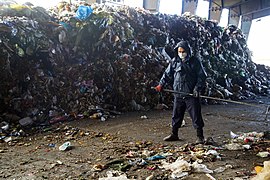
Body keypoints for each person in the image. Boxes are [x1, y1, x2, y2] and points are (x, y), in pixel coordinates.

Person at [155, 40, 207, 144]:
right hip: (178, 93)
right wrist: (161, 84)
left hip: (190, 94)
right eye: (179, 51)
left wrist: (197, 88)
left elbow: (202, 76)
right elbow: (167, 74)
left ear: (188, 51)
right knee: (176, 115)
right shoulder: (175, 61)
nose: (181, 53)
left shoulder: (194, 62)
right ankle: (174, 134)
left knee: (195, 115)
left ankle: (200, 136)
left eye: (183, 51)